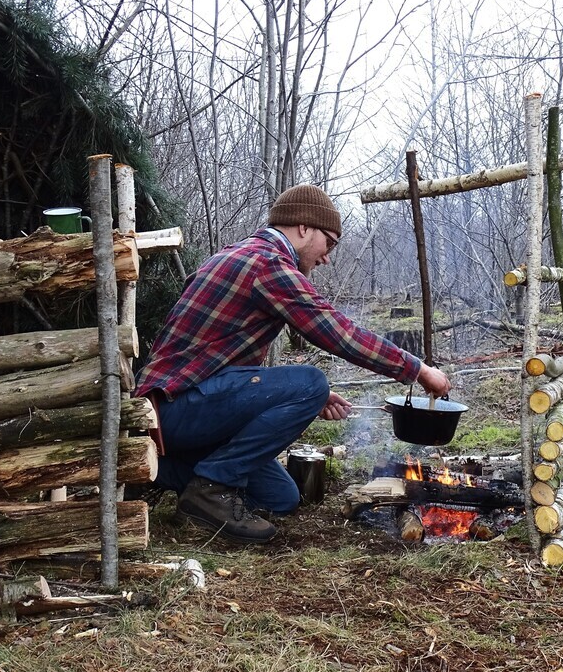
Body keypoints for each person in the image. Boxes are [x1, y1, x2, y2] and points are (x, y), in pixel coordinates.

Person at [135, 184, 451, 543]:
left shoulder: (239, 255)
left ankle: (163, 473)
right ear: (304, 227)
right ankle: (211, 489)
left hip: (184, 409)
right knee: (310, 382)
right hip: (170, 411)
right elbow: (337, 332)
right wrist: (419, 370)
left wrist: (288, 397)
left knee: (280, 498)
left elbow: (220, 364)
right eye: (329, 243)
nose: (327, 257)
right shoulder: (267, 263)